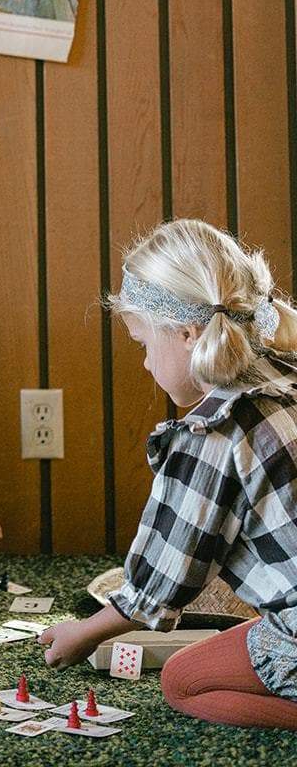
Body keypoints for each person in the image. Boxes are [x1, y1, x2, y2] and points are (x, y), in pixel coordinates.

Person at [38, 219, 297, 729]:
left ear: (186, 332)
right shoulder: (287, 383)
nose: (144, 364)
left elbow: (164, 577)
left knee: (183, 680)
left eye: (142, 343)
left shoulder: (217, 430)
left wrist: (85, 632)